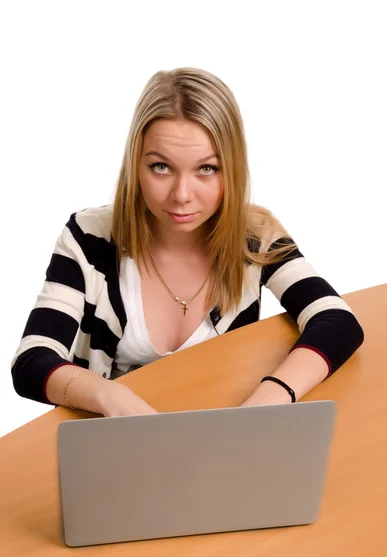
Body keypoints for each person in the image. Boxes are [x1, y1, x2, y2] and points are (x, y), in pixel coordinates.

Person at [11, 67, 364, 417]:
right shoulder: (90, 236)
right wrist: (110, 398)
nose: (182, 195)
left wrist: (268, 399)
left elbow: (336, 321)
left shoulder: (255, 237)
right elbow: (32, 361)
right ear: (135, 165)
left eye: (206, 169)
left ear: (233, 168)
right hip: (115, 441)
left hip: (225, 439)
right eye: (161, 167)